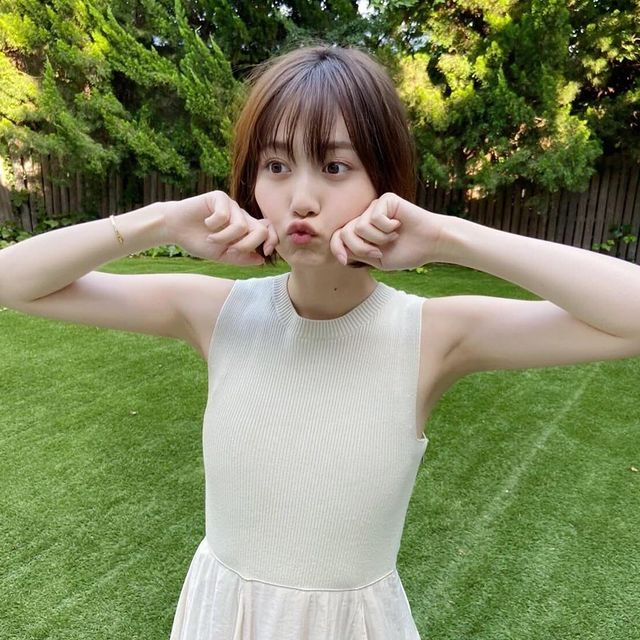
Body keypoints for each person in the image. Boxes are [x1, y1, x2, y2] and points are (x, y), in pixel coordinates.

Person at [1, 44, 639, 640]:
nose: (301, 199)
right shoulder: (215, 312)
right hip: (223, 618)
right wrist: (160, 221)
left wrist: (450, 238)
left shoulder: (433, 335)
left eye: (335, 166)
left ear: (382, 181)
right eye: (276, 166)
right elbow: (14, 283)